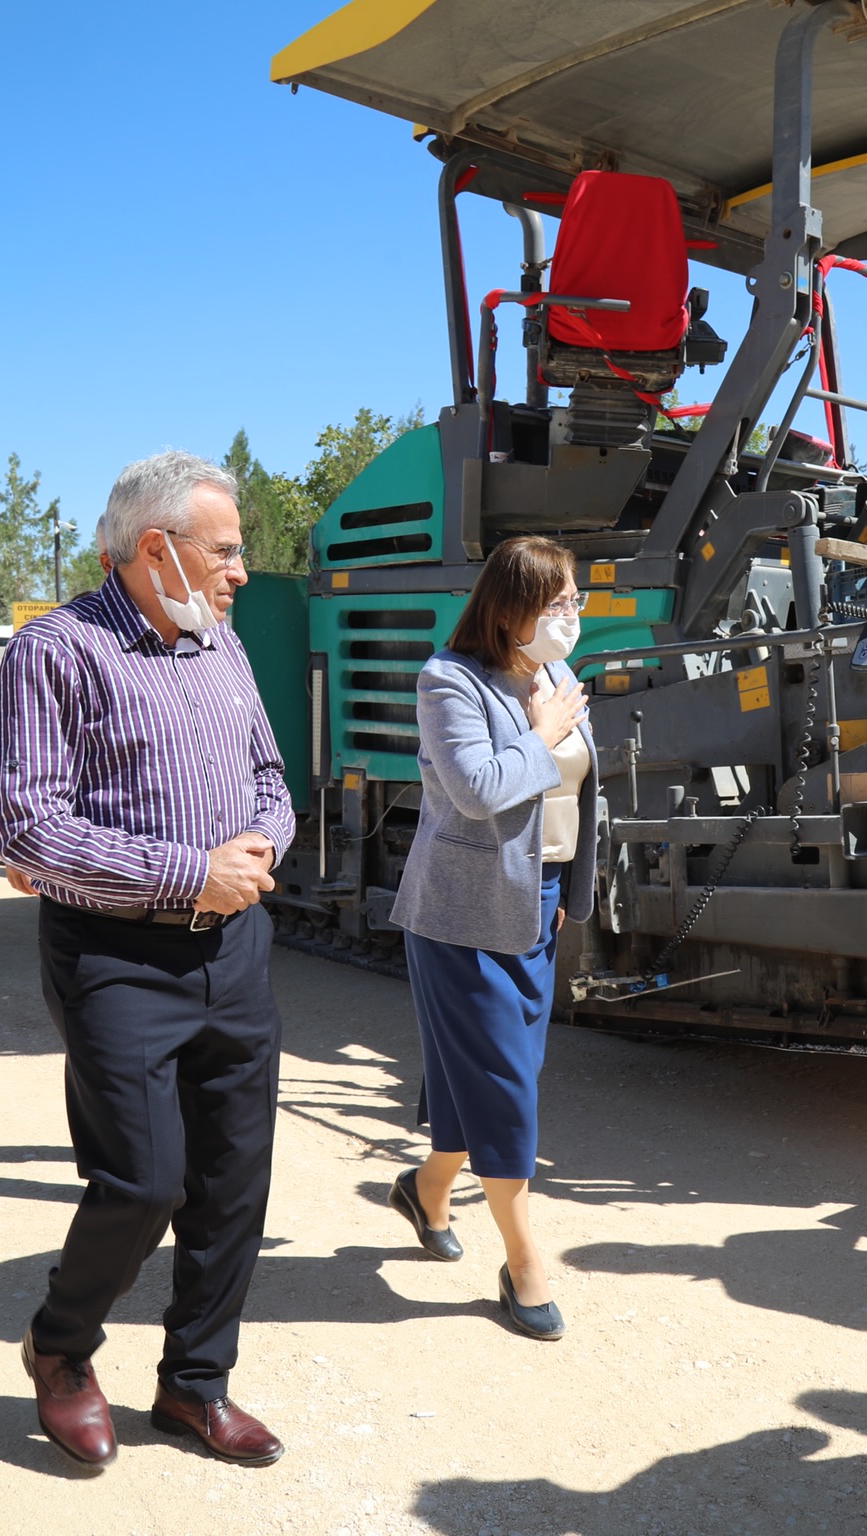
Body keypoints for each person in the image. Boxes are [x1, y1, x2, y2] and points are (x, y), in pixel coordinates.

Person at [0, 450, 293, 1470]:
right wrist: (185, 873)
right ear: (154, 549)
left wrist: (257, 852)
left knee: (233, 1181)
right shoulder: (56, 652)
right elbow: (29, 833)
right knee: (143, 1182)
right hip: (116, 955)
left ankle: (194, 1386)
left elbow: (268, 775)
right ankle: (62, 1348)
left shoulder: (224, 644)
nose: (241, 570)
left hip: (236, 945)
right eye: (227, 549)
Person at [389, 534, 599, 1343]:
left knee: (499, 1075)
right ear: (508, 606)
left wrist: (563, 886)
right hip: (460, 914)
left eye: (575, 600)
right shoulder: (450, 681)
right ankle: (523, 1264)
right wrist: (540, 733)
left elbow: (578, 792)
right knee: (506, 1085)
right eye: (556, 603)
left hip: (535, 902)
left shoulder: (555, 676)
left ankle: (424, 1188)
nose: (570, 616)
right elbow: (477, 793)